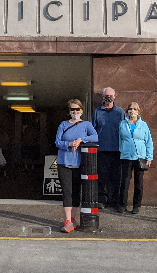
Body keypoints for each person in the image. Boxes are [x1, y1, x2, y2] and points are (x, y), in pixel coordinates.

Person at [55, 98, 98, 233]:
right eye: (72, 109)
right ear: (69, 111)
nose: (75, 112)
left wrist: (81, 140)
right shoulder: (63, 124)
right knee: (67, 192)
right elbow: (58, 141)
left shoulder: (86, 125)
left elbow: (95, 137)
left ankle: (73, 219)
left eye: (77, 109)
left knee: (76, 192)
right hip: (64, 162)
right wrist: (69, 144)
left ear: (81, 110)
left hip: (79, 163)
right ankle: (67, 220)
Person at [91, 87, 125, 209]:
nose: (108, 98)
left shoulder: (120, 112)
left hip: (117, 150)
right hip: (101, 150)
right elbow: (92, 130)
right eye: (106, 96)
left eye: (110, 95)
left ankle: (115, 201)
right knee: (102, 177)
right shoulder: (97, 112)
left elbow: (124, 131)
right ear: (103, 97)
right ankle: (102, 200)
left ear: (115, 97)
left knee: (116, 177)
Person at [118, 101, 154, 214]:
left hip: (140, 157)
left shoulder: (143, 125)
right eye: (130, 108)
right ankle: (122, 205)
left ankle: (136, 206)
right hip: (126, 156)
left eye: (134, 109)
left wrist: (149, 157)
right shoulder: (123, 124)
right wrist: (122, 151)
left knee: (138, 183)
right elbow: (120, 139)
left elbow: (149, 142)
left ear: (138, 111)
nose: (132, 111)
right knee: (124, 182)